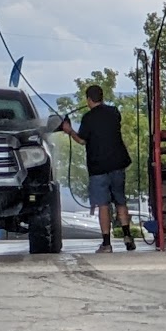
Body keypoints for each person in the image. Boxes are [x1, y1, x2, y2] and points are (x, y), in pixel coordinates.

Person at [62, 85, 136, 253]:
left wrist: (69, 131)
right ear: (102, 97)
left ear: (88, 99)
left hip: (98, 167)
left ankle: (106, 244)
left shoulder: (88, 118)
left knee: (103, 205)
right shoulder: (114, 112)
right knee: (120, 201)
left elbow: (82, 140)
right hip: (118, 163)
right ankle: (127, 236)